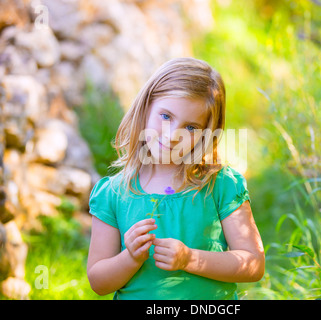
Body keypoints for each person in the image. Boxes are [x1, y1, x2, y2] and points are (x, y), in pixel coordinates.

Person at [87, 57, 265, 300]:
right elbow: (98, 282)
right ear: (146, 107)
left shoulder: (221, 185)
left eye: (191, 127)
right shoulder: (114, 193)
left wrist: (190, 259)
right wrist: (130, 258)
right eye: (166, 116)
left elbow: (253, 264)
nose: (172, 136)